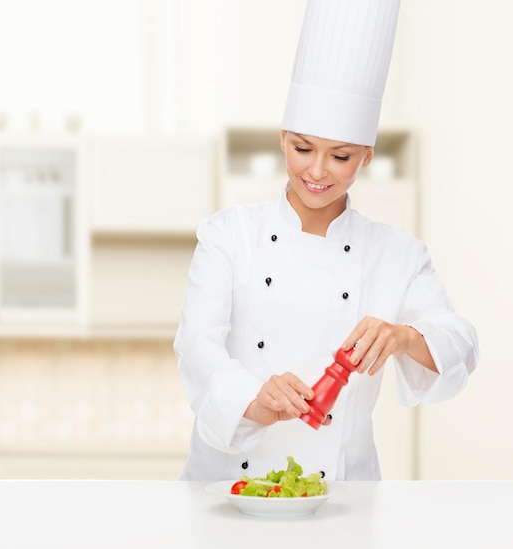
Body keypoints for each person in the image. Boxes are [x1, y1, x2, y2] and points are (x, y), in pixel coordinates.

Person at [173, 0, 479, 481]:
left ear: (367, 156)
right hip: (226, 487)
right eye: (302, 149)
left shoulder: (398, 255)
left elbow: (461, 346)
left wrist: (402, 337)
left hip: (341, 495)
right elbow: (196, 345)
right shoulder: (227, 234)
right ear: (282, 139)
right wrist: (252, 399)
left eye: (340, 156)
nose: (317, 172)